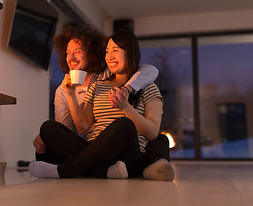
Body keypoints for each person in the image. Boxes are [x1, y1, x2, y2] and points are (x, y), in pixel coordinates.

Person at [29, 29, 174, 180]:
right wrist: (70, 94)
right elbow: (83, 126)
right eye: (107, 51)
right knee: (48, 128)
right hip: (95, 150)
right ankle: (104, 170)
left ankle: (67, 170)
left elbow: (152, 132)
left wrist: (126, 107)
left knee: (124, 124)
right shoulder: (98, 85)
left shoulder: (147, 86)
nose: (110, 56)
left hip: (128, 155)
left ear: (130, 53)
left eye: (115, 50)